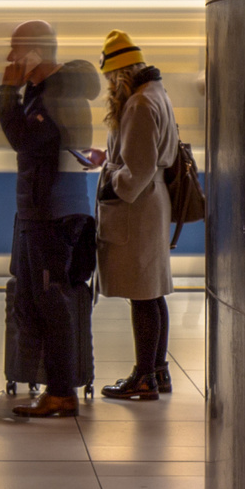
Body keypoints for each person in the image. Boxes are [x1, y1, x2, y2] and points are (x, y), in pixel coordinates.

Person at [0, 20, 97, 419]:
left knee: (53, 303)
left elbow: (24, 140)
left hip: (54, 213)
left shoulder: (58, 94)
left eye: (16, 49)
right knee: (38, 300)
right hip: (43, 210)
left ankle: (60, 394)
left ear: (35, 52)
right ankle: (52, 388)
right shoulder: (48, 92)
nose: (10, 58)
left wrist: (7, 92)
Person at [83, 30, 179, 401]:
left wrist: (110, 176)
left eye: (109, 78)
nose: (108, 86)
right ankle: (158, 370)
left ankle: (143, 378)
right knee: (153, 292)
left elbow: (136, 172)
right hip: (152, 204)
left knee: (142, 294)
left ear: (120, 73)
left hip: (138, 210)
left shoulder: (139, 104)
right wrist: (107, 158)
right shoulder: (156, 94)